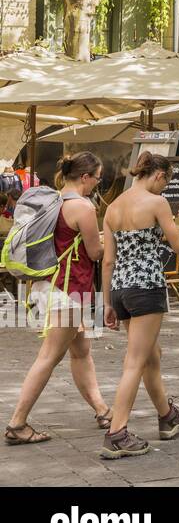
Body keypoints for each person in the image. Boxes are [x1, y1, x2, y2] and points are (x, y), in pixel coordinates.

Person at [5, 153, 112, 445]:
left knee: (81, 351)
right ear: (86, 177)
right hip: (68, 291)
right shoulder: (83, 207)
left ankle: (102, 410)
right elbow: (94, 253)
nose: (97, 184)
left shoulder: (50, 201)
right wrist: (108, 241)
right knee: (49, 357)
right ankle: (17, 423)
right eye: (98, 178)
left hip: (45, 287)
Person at [99, 152, 179, 459]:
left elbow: (108, 261)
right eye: (166, 181)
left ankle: (168, 416)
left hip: (120, 289)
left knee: (151, 355)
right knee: (136, 360)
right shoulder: (157, 203)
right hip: (147, 286)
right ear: (157, 175)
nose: (165, 188)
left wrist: (107, 303)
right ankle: (117, 432)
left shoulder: (112, 208)